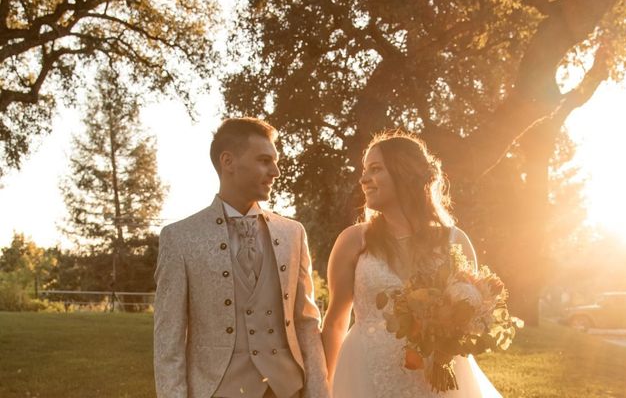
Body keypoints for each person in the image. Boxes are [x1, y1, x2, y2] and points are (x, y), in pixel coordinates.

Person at [154, 117, 329, 398]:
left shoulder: (292, 233)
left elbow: (307, 323)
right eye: (264, 160)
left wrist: (319, 392)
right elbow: (168, 340)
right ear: (228, 162)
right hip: (218, 390)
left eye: (275, 161)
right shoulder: (180, 238)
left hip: (287, 389)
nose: (276, 171)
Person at [321, 130, 501, 397]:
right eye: (364, 169)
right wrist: (323, 386)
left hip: (434, 378)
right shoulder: (354, 240)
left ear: (404, 172)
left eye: (375, 169)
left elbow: (468, 324)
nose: (363, 179)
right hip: (365, 372)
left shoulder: (455, 241)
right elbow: (336, 321)